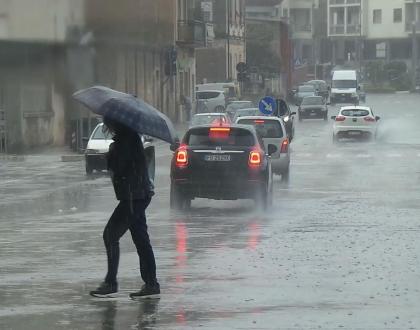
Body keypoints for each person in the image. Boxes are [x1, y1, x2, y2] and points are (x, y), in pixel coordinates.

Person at [90, 116, 160, 298]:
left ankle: (111, 283)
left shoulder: (125, 140)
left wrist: (111, 154)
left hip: (133, 196)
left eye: (108, 122)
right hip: (138, 194)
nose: (107, 125)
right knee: (141, 239)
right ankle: (151, 284)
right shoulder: (129, 137)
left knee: (110, 234)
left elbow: (120, 167)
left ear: (116, 122)